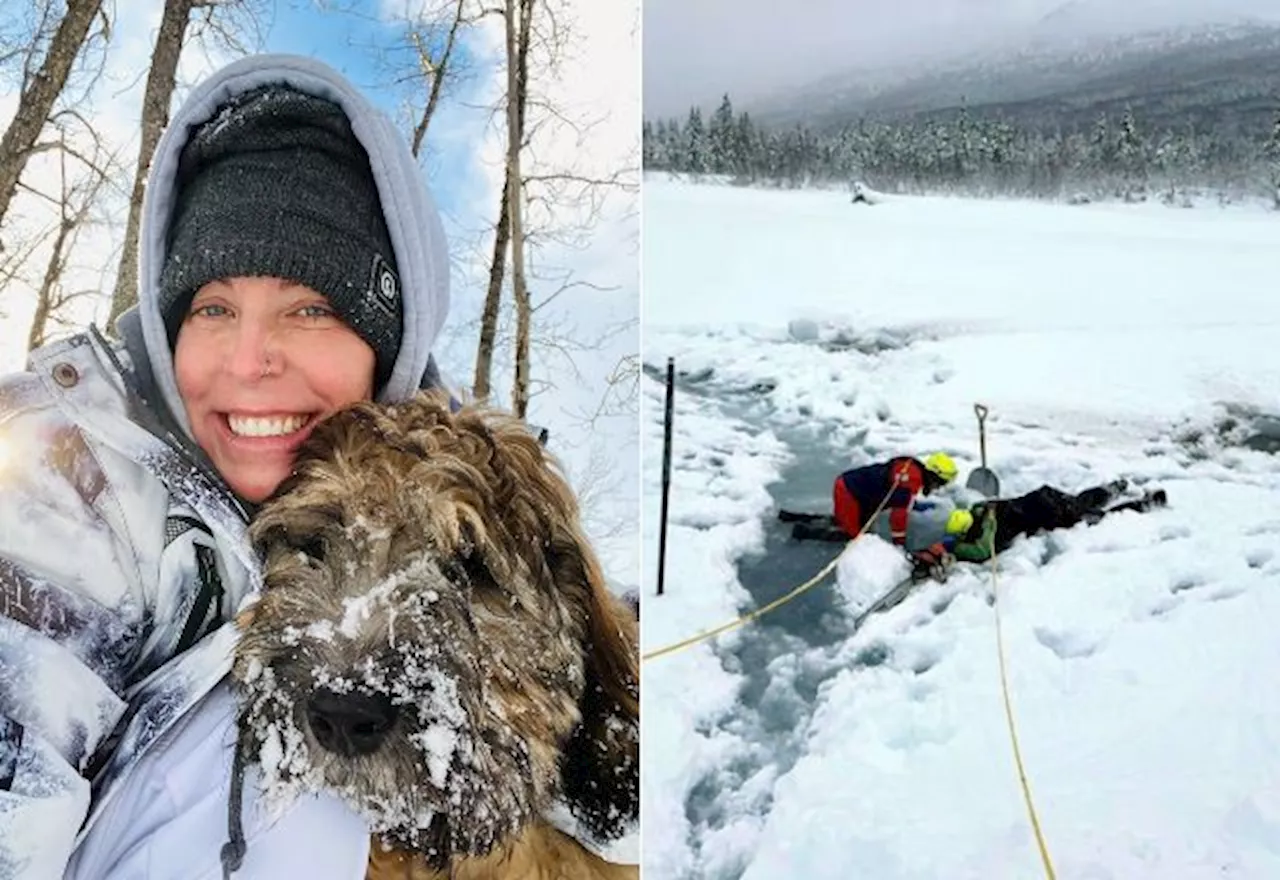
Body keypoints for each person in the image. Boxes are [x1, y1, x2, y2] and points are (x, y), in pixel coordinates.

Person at [0, 54, 454, 878]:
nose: (248, 362)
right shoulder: (62, 479)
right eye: (212, 307)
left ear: (390, 344)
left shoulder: (458, 504)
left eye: (310, 307)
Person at [952, 480, 1168, 563]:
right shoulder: (981, 508)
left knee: (1100, 517)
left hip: (1050, 514)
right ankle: (1111, 489)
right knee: (1081, 501)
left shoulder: (991, 534)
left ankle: (1143, 504)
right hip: (1043, 496)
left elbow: (981, 552)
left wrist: (955, 549)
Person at [780, 451, 959, 545]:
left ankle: (794, 517)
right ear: (935, 476)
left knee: (847, 521)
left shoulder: (913, 468)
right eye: (941, 483)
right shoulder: (910, 480)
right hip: (849, 492)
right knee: (853, 535)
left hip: (855, 489)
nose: (939, 487)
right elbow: (898, 515)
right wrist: (899, 543)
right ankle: (805, 532)